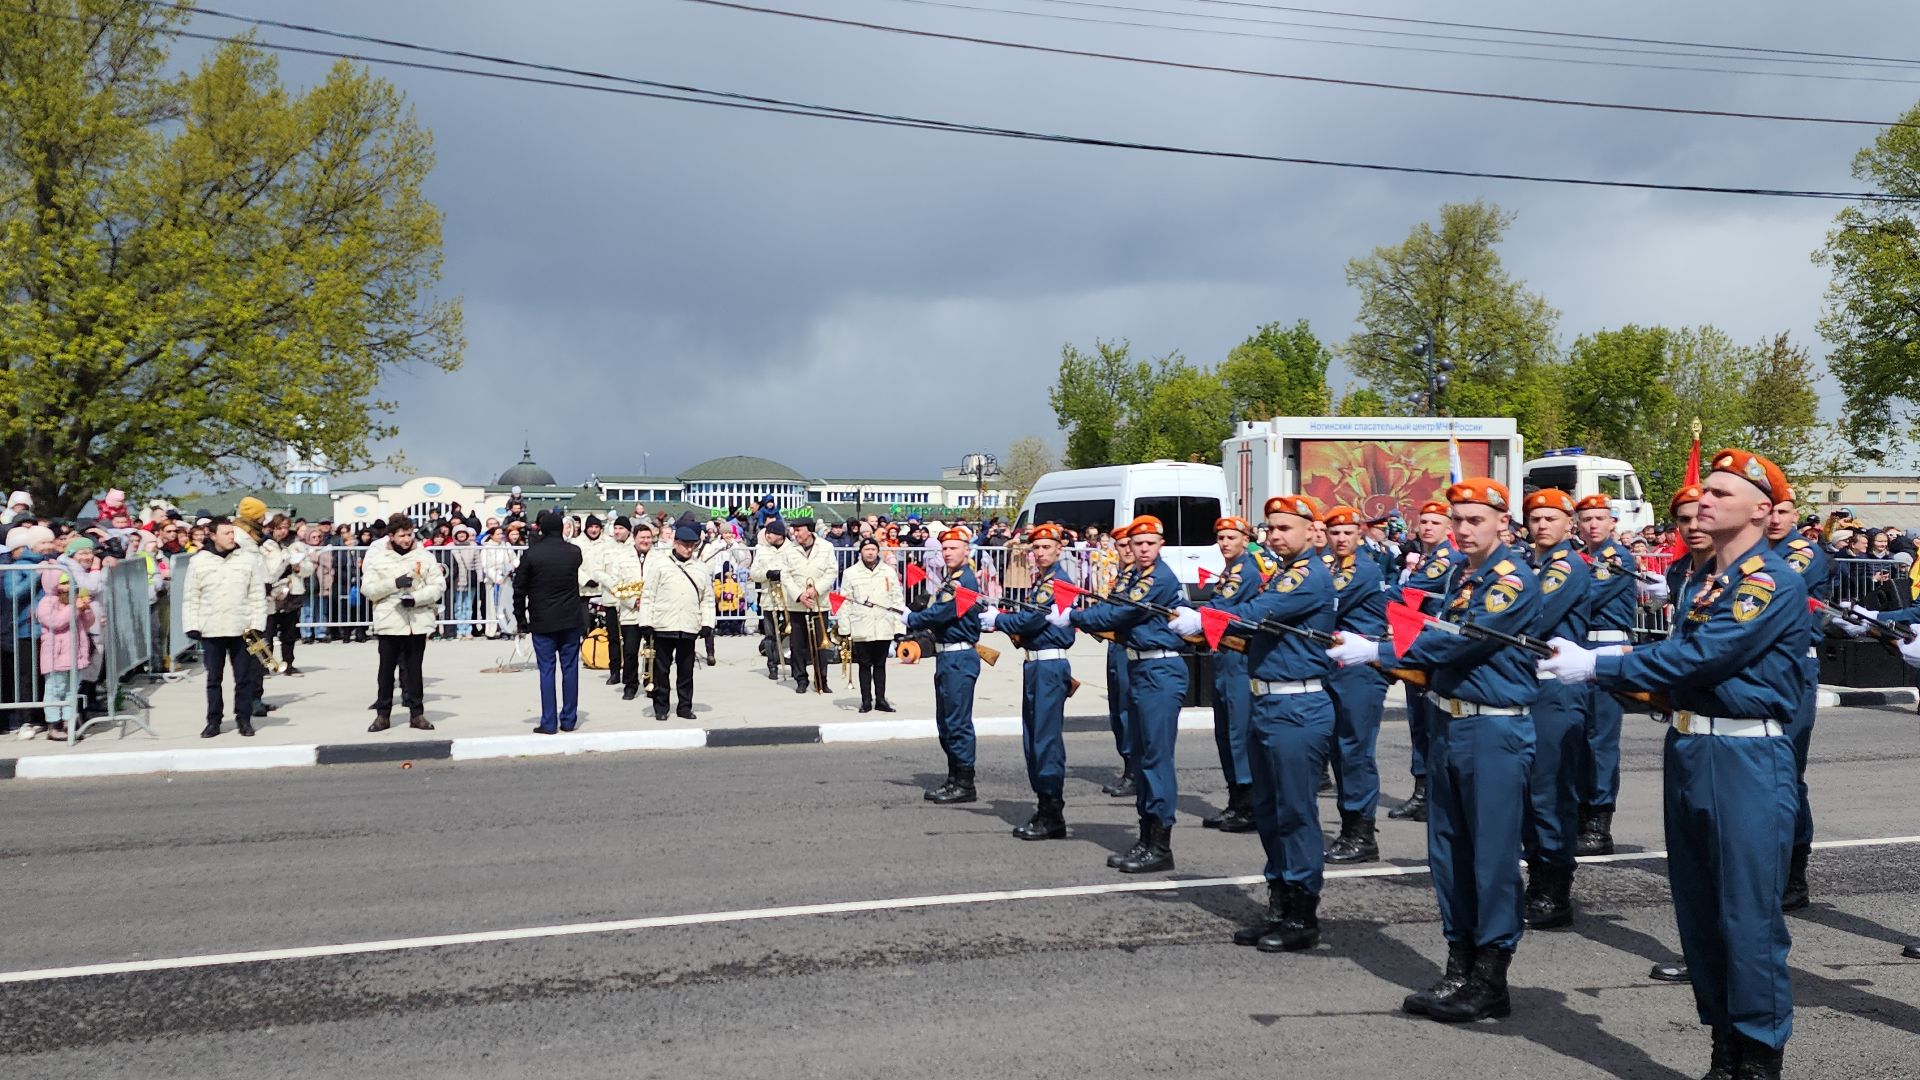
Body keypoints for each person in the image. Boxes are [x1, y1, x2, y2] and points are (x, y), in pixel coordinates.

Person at [1541, 449, 1803, 1080]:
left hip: (1746, 755)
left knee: (1746, 915)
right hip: (1691, 747)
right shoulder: (1708, 579)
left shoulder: (1769, 580)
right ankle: (1725, 1047)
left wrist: (1600, 665)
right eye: (1701, 491)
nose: (1702, 500)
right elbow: (1683, 667)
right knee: (1700, 912)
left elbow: (1701, 657)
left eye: (1719, 492)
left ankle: (1760, 1056)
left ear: (1762, 510)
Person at [1328, 478, 1540, 1024]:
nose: (1464, 528)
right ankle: (1460, 963)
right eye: (1458, 519)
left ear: (1501, 523)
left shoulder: (1510, 579)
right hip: (1451, 723)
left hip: (1493, 732)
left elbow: (1461, 639)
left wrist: (1376, 648)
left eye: (1475, 519)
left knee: (1490, 858)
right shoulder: (1462, 576)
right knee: (1449, 855)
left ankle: (1492, 978)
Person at [1184, 495, 1336, 950]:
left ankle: (1302, 913)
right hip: (1269, 704)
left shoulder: (1309, 575)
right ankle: (1280, 902)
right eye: (1271, 529)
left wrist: (1204, 616)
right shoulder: (1284, 574)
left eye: (1285, 528)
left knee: (1295, 812)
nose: (1275, 536)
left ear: (1312, 532)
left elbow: (1254, 614)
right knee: (1270, 813)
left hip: (1297, 707)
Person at [1064, 515, 1189, 873]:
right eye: (1138, 543)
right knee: (1144, 755)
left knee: (1156, 758)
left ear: (1161, 544)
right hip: (1140, 667)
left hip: (1159, 670)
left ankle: (1160, 845)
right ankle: (1146, 838)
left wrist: (1073, 617)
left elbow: (1121, 613)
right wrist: (1084, 615)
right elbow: (1112, 607)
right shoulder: (1135, 575)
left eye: (1150, 542)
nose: (1144, 548)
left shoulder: (1158, 578)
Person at [1519, 489, 1591, 931]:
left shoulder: (1565, 568)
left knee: (1549, 792)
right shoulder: (1538, 566)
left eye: (1551, 518)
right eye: (1535, 518)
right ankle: (1538, 876)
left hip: (1556, 690)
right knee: (1530, 791)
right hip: (1531, 689)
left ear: (1570, 525)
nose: (1542, 525)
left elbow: (1533, 617)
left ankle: (1554, 888)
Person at [985, 523, 1075, 840]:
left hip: (1049, 666)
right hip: (1036, 665)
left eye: (1046, 547)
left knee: (1045, 740)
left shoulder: (1057, 582)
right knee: (1034, 739)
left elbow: (1034, 619)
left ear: (1059, 549)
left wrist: (999, 620)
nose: (1039, 553)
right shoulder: (1044, 581)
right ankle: (1045, 807)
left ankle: (1052, 813)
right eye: (1035, 548)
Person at [1763, 480, 1828, 915]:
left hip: (1791, 666)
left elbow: (1772, 594)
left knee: (1786, 771)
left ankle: (1793, 872)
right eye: (1768, 510)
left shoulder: (1799, 554)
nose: (1774, 520)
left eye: (1782, 512)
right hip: (1758, 666)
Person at [1322, 505, 1390, 865]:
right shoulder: (1333, 568)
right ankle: (1351, 828)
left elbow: (1326, 605)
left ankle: (1361, 834)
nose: (1341, 538)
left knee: (1355, 751)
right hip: (1340, 666)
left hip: (1361, 669)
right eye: (1335, 533)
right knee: (1341, 750)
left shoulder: (1361, 570)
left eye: (1347, 532)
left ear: (1359, 533)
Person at [1573, 493, 1640, 857]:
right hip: (1580, 647)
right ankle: (1579, 812)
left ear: (1613, 523)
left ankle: (1598, 823)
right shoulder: (1582, 558)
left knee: (1599, 739)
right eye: (1587, 519)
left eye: (1600, 518)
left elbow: (1585, 596)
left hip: (1606, 647)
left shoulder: (1615, 559)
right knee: (1578, 735)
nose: (1594, 524)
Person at [905, 527, 984, 802]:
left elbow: (945, 612)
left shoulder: (964, 582)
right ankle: (953, 777)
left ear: (967, 550)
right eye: (945, 549)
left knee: (957, 721)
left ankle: (965, 783)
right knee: (947, 721)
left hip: (959, 657)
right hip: (947, 656)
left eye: (953, 548)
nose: (948, 553)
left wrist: (913, 618)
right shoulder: (952, 579)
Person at [1198, 515, 1266, 833]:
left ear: (1245, 539)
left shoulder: (1245, 570)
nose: (1224, 543)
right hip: (1224, 657)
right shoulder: (1230, 570)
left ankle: (1249, 803)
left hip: (1239, 659)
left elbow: (1223, 608)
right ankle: (1235, 800)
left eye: (1230, 537)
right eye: (1221, 538)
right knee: (1225, 732)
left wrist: (1196, 614)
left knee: (1239, 732)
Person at [1394, 499, 1459, 823]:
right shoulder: (1426, 559)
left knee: (1431, 722)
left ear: (1449, 528)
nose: (1429, 527)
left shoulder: (1445, 559)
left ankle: (1431, 792)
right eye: (1425, 522)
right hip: (1416, 643)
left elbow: (1408, 593)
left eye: (1436, 522)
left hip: (1433, 647)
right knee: (1419, 721)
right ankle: (1422, 790)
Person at [181, 519, 269, 738]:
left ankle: (244, 718)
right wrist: (192, 625)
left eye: (233, 532)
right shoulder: (199, 561)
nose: (232, 537)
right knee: (214, 679)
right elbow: (191, 596)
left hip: (242, 628)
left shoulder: (247, 560)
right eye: (227, 533)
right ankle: (214, 720)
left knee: (244, 677)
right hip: (211, 628)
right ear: (212, 535)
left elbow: (257, 594)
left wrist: (258, 624)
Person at [360, 515, 444, 732]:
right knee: (386, 670)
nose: (406, 539)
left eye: (409, 534)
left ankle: (417, 714)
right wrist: (393, 584)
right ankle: (383, 714)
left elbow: (437, 585)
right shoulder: (379, 559)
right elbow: (368, 589)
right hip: (389, 620)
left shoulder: (424, 557)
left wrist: (417, 598)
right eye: (402, 535)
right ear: (391, 536)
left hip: (416, 621)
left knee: (414, 670)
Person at [515, 510, 587, 734]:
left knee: (546, 670)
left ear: (541, 529)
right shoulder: (574, 552)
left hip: (542, 619)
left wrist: (520, 620)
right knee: (570, 668)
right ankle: (569, 719)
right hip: (570, 619)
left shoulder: (531, 555)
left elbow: (519, 589)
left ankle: (548, 722)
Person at [640, 522, 716, 721]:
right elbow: (648, 595)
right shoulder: (660, 565)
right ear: (675, 543)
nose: (688, 549)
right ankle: (661, 707)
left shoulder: (700, 568)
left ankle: (684, 707)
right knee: (661, 670)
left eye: (692, 545)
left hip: (688, 624)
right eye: (684, 544)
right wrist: (645, 623)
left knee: (686, 671)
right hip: (663, 623)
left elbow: (707, 599)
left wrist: (708, 623)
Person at [839, 537, 904, 713]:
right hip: (861, 624)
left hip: (883, 624)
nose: (870, 552)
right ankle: (866, 700)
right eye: (866, 549)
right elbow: (844, 601)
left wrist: (899, 627)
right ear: (861, 552)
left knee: (880, 664)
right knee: (864, 664)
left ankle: (881, 700)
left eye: (873, 549)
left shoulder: (888, 572)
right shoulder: (850, 573)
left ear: (878, 552)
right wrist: (844, 628)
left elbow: (897, 599)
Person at [34, 572, 97, 741]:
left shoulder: (73, 601)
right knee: (55, 689)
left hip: (75, 654)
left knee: (72, 690)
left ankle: (69, 721)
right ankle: (53, 724)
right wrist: (74, 607)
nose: (69, 586)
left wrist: (86, 608)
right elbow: (56, 622)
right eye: (64, 582)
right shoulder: (47, 603)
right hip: (56, 655)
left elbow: (88, 622)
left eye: (70, 582)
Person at [1099, 523, 1137, 797]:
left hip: (1130, 650)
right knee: (1117, 710)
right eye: (1120, 546)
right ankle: (1128, 766)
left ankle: (1134, 771)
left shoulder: (1140, 580)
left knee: (1128, 710)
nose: (1125, 550)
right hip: (1115, 649)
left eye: (1128, 545)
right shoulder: (1122, 578)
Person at [780, 519, 840, 693]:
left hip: (819, 603)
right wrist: (800, 595)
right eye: (794, 530)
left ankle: (822, 679)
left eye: (799, 530)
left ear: (809, 530)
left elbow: (831, 571)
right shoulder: (789, 550)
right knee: (797, 645)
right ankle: (800, 679)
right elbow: (786, 576)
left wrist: (817, 589)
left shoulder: (826, 547)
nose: (796, 534)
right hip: (797, 604)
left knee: (821, 644)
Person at [601, 520, 648, 701]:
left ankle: (650, 682)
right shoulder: (622, 557)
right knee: (629, 651)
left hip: (650, 611)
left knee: (651, 651)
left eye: (648, 537)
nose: (645, 541)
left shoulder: (657, 558)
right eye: (642, 537)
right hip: (630, 611)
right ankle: (630, 684)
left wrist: (647, 599)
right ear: (635, 538)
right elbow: (616, 583)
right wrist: (633, 600)